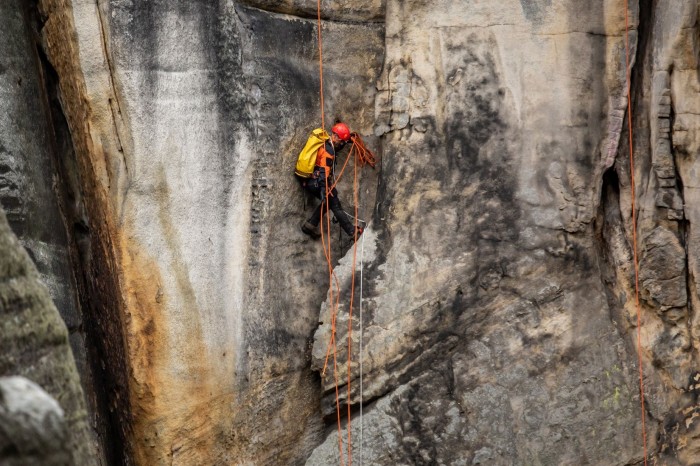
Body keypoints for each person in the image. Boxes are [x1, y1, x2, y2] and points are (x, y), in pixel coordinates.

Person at [299, 122, 363, 240]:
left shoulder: (325, 143)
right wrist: (324, 189)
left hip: (310, 180)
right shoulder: (329, 151)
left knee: (329, 201)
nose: (341, 144)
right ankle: (351, 231)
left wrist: (348, 139)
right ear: (336, 137)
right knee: (335, 204)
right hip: (318, 182)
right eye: (341, 141)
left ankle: (311, 224)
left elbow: (335, 148)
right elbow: (324, 171)